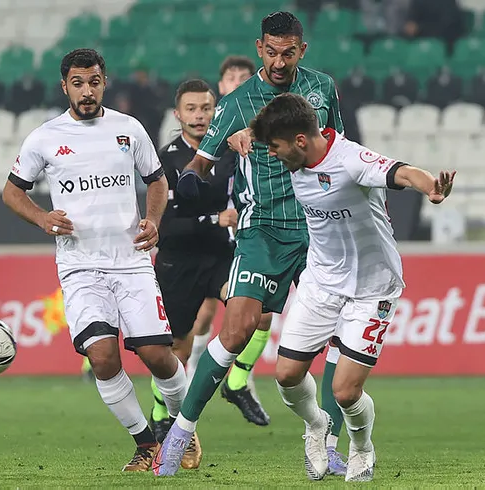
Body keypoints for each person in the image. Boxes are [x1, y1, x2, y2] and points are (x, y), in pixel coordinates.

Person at [155, 11, 347, 476]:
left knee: (341, 333)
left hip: (319, 228)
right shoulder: (237, 103)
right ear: (260, 48)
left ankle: (326, 442)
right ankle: (180, 432)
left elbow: (339, 152)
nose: (279, 62)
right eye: (271, 52)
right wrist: (190, 180)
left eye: (288, 53)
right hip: (262, 229)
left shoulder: (322, 88)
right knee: (236, 329)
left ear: (301, 50)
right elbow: (199, 163)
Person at [250, 93, 455, 481]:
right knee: (287, 374)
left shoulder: (350, 160)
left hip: (372, 288)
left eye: (274, 147)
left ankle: (362, 447)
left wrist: (431, 186)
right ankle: (317, 425)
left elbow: (402, 172)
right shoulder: (295, 157)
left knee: (345, 391)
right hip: (321, 282)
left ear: (299, 140)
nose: (272, 155)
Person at [2, 49, 188, 472]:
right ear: (64, 86)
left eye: (94, 82)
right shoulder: (45, 137)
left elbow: (157, 182)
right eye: (78, 83)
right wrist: (42, 218)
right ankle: (146, 444)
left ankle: (183, 429)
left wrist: (154, 220)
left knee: (157, 355)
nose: (87, 91)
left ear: (105, 83)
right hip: (79, 266)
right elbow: (12, 192)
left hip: (132, 260)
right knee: (102, 356)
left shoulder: (129, 129)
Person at [147, 79, 235, 467]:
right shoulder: (166, 160)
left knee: (253, 312)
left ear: (215, 111)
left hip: (221, 255)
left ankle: (237, 380)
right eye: (191, 109)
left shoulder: (230, 152)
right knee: (176, 350)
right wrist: (215, 219)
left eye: (206, 108)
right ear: (178, 114)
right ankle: (162, 414)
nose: (199, 115)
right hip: (179, 261)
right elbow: (166, 226)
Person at [185, 55, 276, 427]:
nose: (237, 82)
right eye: (230, 77)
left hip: (246, 235)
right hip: (207, 240)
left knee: (262, 314)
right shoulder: (212, 132)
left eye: (244, 76)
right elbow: (191, 178)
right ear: (220, 86)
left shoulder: (266, 126)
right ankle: (189, 380)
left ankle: (237, 380)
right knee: (201, 317)